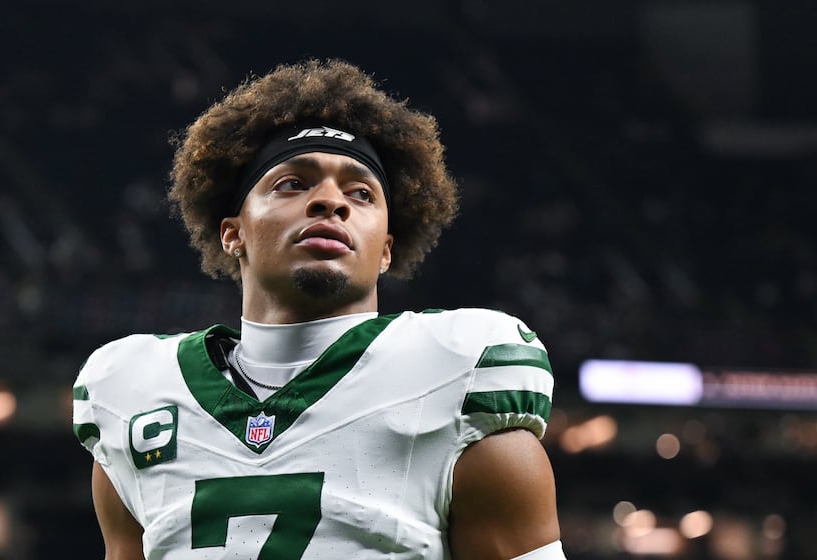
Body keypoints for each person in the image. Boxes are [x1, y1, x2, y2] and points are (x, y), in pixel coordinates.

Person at [72, 59, 565, 559]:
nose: (331, 201)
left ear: (387, 248)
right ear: (232, 233)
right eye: (292, 183)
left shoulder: (457, 374)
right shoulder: (131, 392)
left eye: (361, 193)